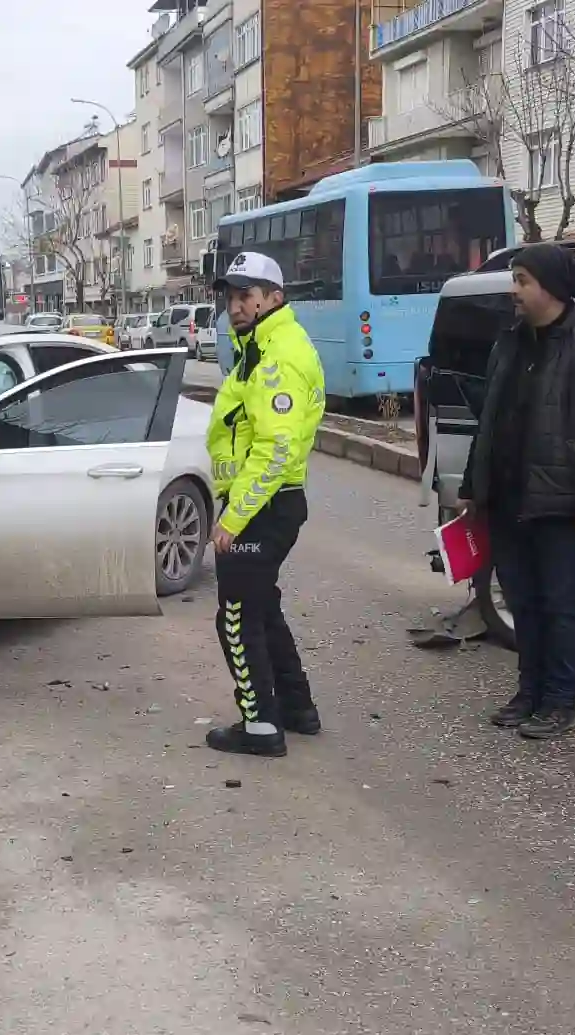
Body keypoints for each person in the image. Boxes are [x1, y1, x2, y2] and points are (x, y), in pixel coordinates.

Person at [451, 242, 575, 740]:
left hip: (562, 505)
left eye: (523, 280)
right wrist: (472, 486)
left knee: (562, 604)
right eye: (515, 278)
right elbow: (488, 421)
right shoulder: (509, 342)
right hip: (507, 500)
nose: (514, 289)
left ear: (549, 288)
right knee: (522, 603)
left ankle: (558, 700)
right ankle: (528, 691)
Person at [203, 251, 325, 758]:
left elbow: (277, 450)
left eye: (245, 295)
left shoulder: (277, 357)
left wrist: (233, 518)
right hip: (266, 505)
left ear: (274, 298)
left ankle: (260, 727)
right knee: (261, 606)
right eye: (230, 297)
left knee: (235, 614)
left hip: (264, 507)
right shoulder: (255, 349)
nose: (236, 305)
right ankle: (296, 709)